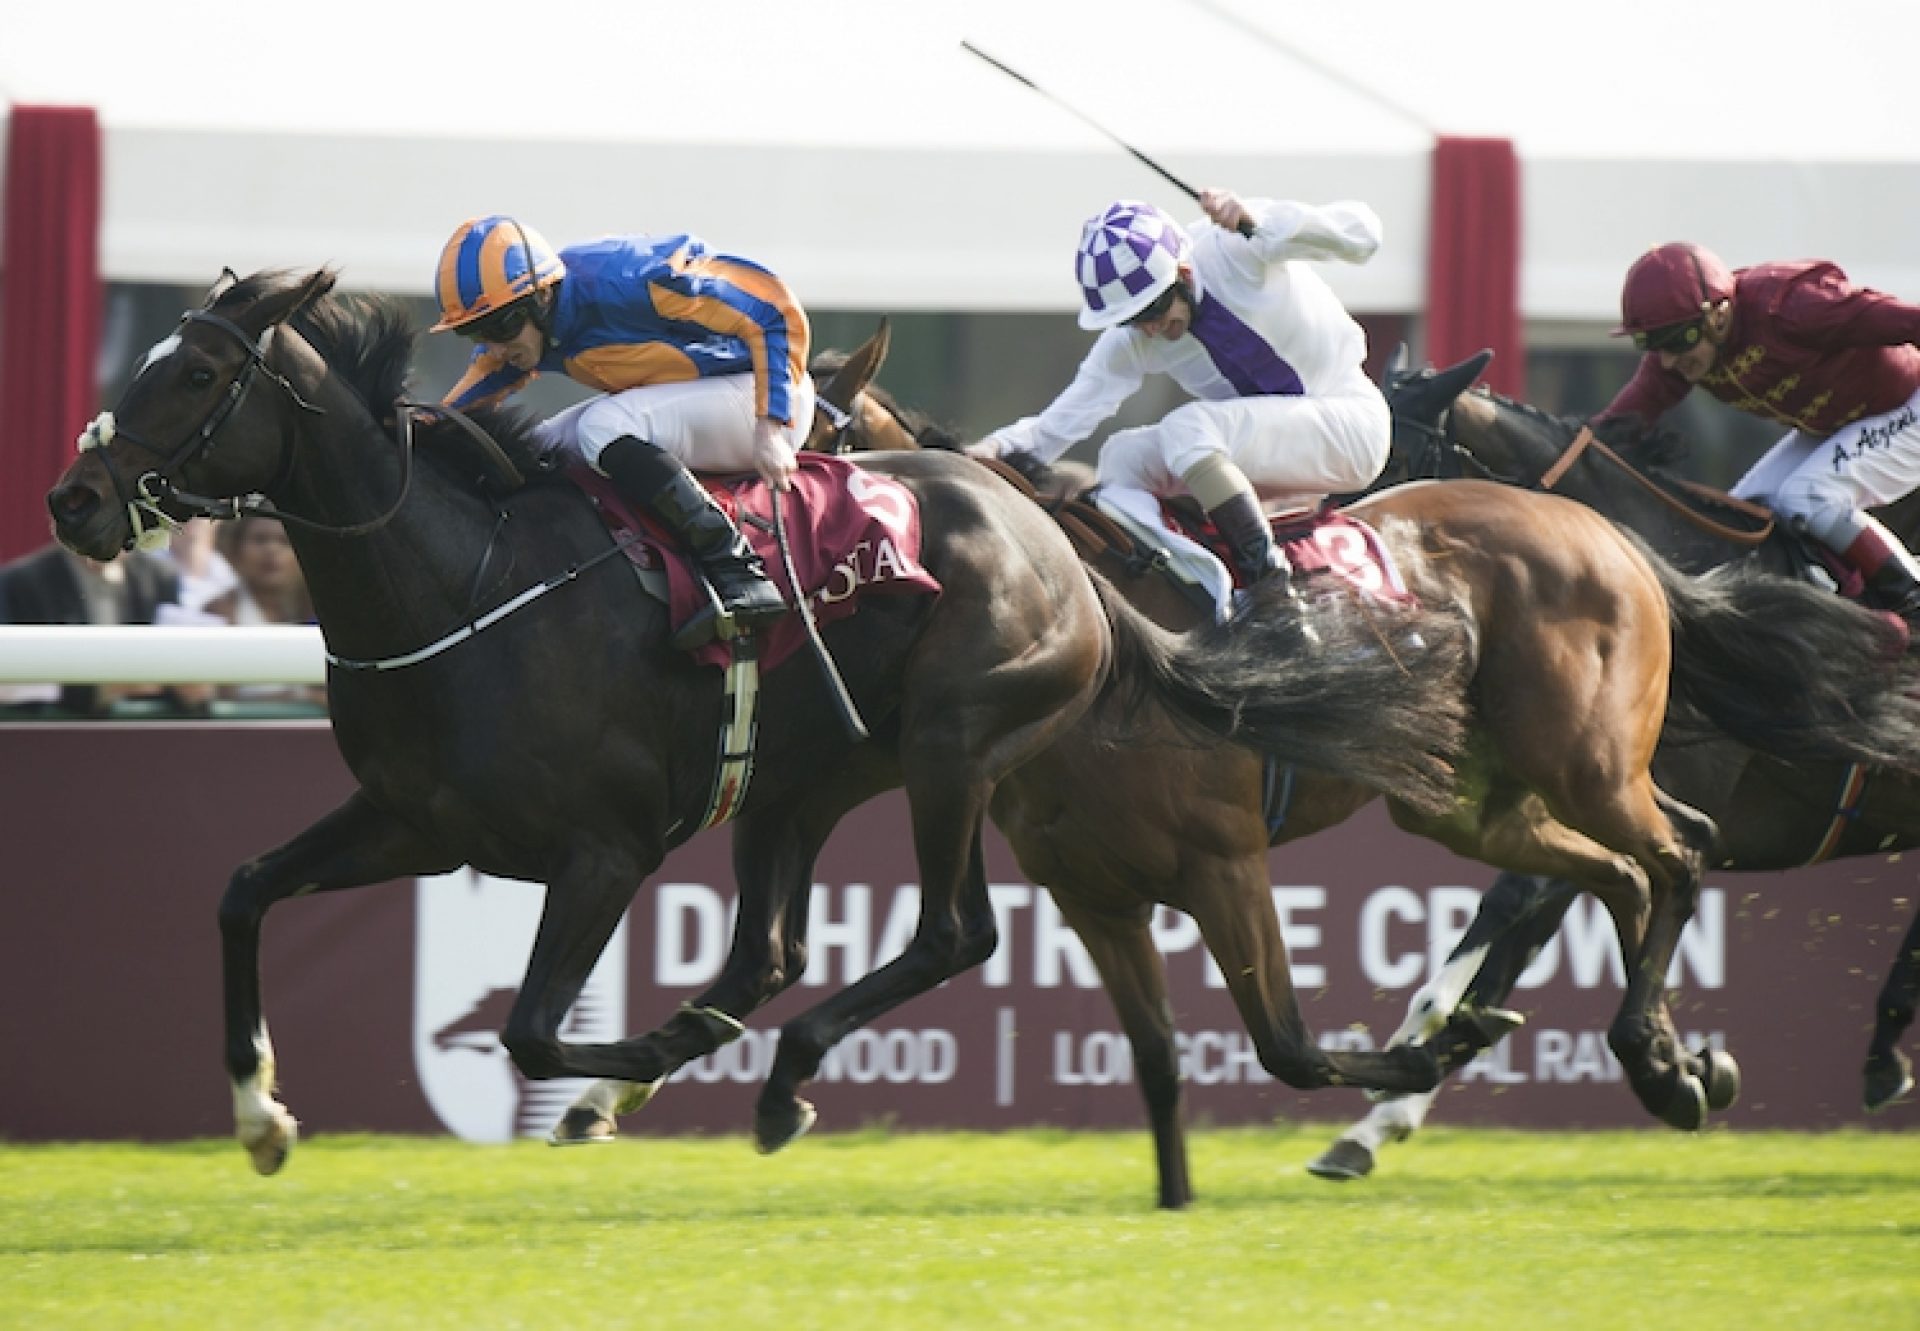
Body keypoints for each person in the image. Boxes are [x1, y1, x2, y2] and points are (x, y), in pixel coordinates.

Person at [967, 189, 1391, 591]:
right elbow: (1056, 428)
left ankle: (1272, 589)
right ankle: (1198, 585)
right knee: (1121, 456)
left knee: (1186, 426)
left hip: (1351, 425)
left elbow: (1364, 235)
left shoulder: (1235, 246)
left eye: (1153, 309)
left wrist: (1264, 223)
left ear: (1184, 274)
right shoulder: (1135, 341)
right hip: (1271, 454)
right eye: (1132, 319)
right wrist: (990, 452)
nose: (1150, 328)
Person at [433, 215, 814, 648]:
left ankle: (737, 570)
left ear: (541, 297)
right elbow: (453, 413)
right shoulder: (529, 325)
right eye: (474, 331)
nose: (494, 346)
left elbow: (774, 307)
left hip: (765, 396)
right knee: (537, 447)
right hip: (693, 400)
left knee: (604, 426)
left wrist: (769, 425)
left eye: (501, 327)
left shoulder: (636, 281)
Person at [1597, 241, 1920, 620]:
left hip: (1907, 402)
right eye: (1649, 344)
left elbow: (1908, 320)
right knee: (1739, 519)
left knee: (1810, 497)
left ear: (1719, 315)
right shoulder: (1678, 356)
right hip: (1841, 424)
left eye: (1677, 341)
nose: (1667, 359)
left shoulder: (1793, 308)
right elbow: (1616, 428)